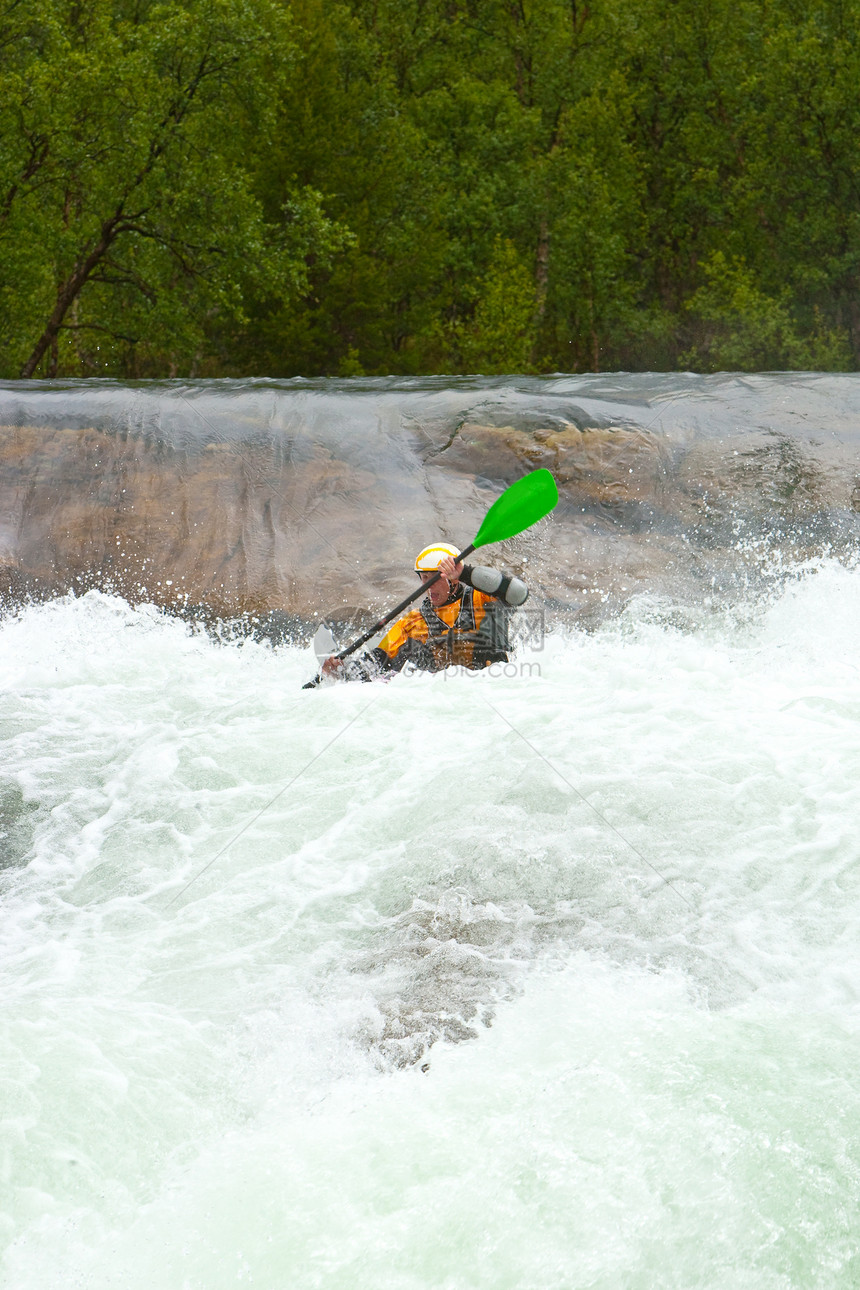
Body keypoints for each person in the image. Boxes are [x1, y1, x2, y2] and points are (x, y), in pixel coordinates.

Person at [321, 542, 529, 681]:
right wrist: (341, 672)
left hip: (496, 684)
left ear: (453, 577)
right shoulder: (412, 622)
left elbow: (519, 593)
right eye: (424, 578)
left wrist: (465, 572)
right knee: (409, 649)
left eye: (434, 578)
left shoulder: (483, 598)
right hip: (442, 695)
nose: (428, 586)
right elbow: (376, 663)